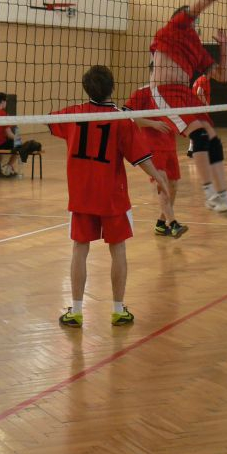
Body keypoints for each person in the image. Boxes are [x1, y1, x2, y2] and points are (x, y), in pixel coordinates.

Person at [52, 65, 170, 329]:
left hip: (82, 195)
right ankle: (118, 311)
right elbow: (140, 157)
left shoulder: (72, 114)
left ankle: (76, 311)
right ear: (112, 88)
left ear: (86, 88)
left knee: (79, 249)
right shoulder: (121, 120)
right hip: (112, 197)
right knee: (118, 250)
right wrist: (159, 178)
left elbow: (47, 120)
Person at [150, 0, 227, 222]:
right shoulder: (173, 28)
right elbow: (197, 7)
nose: (195, 22)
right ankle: (210, 194)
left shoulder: (195, 46)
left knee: (213, 138)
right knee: (201, 135)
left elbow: (223, 75)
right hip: (164, 92)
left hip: (184, 93)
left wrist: (224, 47)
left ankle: (223, 196)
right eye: (192, 18)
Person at [124, 67, 188, 238]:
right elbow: (126, 116)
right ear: (153, 73)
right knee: (163, 183)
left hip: (170, 146)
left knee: (173, 186)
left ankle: (161, 223)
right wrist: (152, 123)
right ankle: (173, 224)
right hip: (152, 147)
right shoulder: (142, 93)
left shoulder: (172, 94)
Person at [187, 73, 211, 158]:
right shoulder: (203, 79)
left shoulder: (199, 79)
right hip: (200, 109)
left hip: (195, 108)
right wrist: (206, 105)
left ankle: (191, 150)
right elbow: (199, 92)